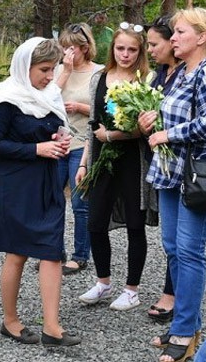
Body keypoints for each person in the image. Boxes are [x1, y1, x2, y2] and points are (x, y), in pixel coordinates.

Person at [0, 37, 79, 347]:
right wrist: (37, 148)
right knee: (17, 253)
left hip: (47, 181)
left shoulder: (47, 95)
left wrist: (59, 140)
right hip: (16, 185)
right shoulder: (7, 100)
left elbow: (56, 127)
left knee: (51, 252)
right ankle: (10, 321)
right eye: (44, 70)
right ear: (25, 67)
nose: (49, 76)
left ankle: (52, 326)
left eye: (53, 69)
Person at [144, 8, 206, 362]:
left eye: (180, 32)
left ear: (202, 37)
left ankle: (185, 332)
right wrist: (153, 119)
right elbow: (176, 113)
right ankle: (188, 326)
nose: (172, 38)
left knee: (189, 251)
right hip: (171, 171)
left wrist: (169, 132)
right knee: (173, 248)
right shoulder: (182, 73)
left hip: (197, 175)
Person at [75, 22, 157, 312]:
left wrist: (114, 135)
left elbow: (147, 127)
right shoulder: (100, 77)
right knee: (95, 221)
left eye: (132, 50)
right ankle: (103, 281)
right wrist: (85, 162)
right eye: (120, 48)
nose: (125, 54)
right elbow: (92, 124)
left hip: (133, 160)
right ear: (113, 49)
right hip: (101, 158)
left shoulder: (146, 79)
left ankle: (131, 289)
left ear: (140, 52)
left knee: (135, 223)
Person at [138, 14, 180, 324]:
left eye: (154, 44)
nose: (149, 50)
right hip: (164, 165)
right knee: (170, 238)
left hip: (186, 166)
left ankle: (174, 294)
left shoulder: (192, 73)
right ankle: (175, 290)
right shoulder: (158, 76)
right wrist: (142, 123)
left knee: (184, 240)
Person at [55, 23, 104, 275]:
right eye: (64, 46)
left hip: (83, 144)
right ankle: (53, 251)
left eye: (71, 47)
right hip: (58, 141)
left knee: (79, 201)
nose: (66, 51)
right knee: (52, 200)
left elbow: (107, 109)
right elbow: (47, 97)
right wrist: (65, 70)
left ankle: (80, 255)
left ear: (85, 48)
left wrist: (82, 108)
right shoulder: (59, 70)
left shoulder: (100, 73)